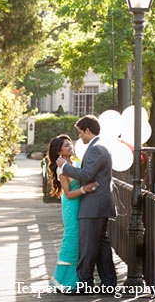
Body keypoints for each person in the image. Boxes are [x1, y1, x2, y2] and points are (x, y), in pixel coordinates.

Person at [56, 115, 117, 293]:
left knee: (88, 247)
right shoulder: (99, 146)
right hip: (99, 206)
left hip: (94, 206)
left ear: (88, 131)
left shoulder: (96, 148)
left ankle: (84, 285)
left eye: (81, 133)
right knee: (102, 248)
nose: (80, 137)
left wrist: (64, 167)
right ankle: (108, 284)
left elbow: (87, 174)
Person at [47, 134, 99, 293]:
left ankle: (79, 279)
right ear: (59, 152)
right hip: (71, 205)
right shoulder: (61, 170)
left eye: (71, 144)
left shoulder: (76, 163)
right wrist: (85, 189)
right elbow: (68, 194)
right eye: (66, 146)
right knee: (71, 238)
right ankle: (62, 279)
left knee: (81, 240)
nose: (71, 147)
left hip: (82, 204)